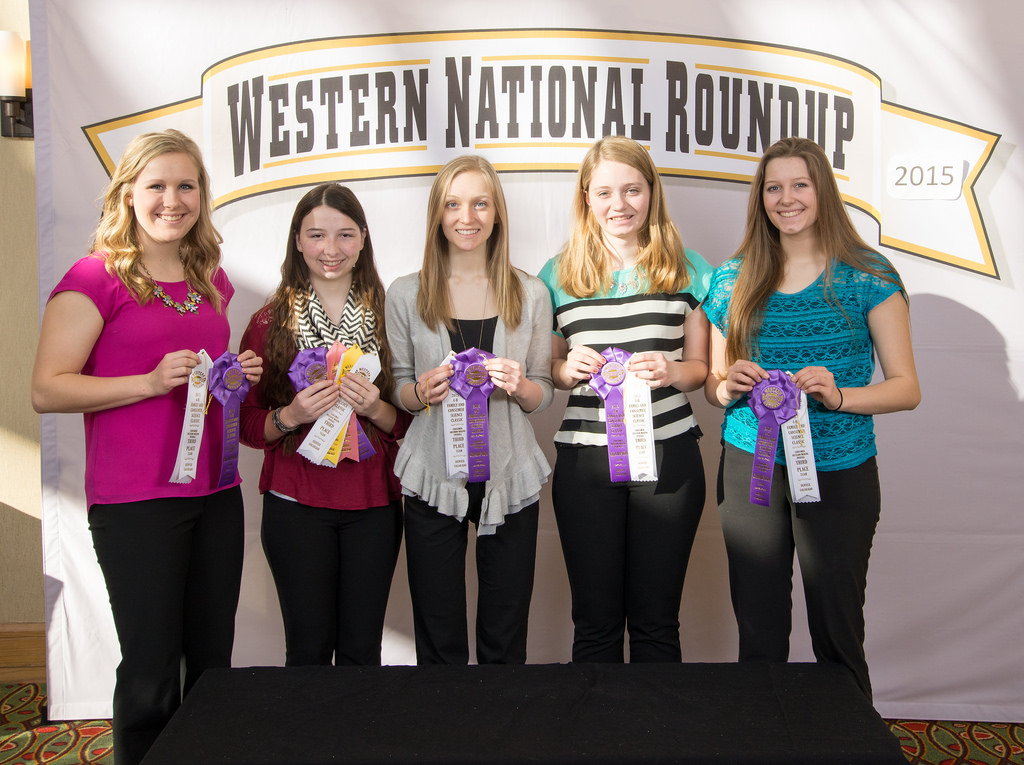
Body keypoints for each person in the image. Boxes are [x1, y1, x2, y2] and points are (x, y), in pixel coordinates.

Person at [30, 129, 262, 765]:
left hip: (217, 492)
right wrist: (148, 381)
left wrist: (234, 374)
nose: (173, 199)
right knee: (152, 669)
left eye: (186, 185)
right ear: (128, 193)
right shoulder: (94, 278)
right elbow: (47, 389)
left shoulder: (207, 276)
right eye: (157, 185)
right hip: (136, 501)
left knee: (212, 662)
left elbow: (203, 377)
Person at [702, 136, 921, 699]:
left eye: (800, 184)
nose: (786, 198)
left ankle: (848, 745)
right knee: (759, 623)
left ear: (822, 191)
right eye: (774, 187)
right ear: (761, 199)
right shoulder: (732, 279)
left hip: (841, 469)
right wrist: (728, 385)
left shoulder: (868, 275)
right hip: (750, 466)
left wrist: (841, 395)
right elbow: (713, 383)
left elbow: (906, 388)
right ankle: (762, 740)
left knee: (837, 625)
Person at [537, 135, 711, 663]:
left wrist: (673, 368)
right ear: (586, 198)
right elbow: (550, 370)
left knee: (658, 622)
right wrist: (567, 369)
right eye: (605, 193)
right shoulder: (557, 274)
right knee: (594, 623)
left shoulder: (689, 268)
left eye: (633, 190)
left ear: (651, 193)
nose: (620, 205)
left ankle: (657, 743)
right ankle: (595, 743)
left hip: (669, 455)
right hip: (585, 461)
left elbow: (702, 371)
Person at [385, 155, 553, 665]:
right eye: (454, 204)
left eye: (481, 203)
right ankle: (445, 736)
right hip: (433, 472)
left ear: (498, 212)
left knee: (505, 631)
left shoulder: (531, 293)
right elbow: (397, 389)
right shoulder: (406, 293)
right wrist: (422, 391)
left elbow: (542, 390)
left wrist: (522, 385)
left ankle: (504, 736)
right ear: (438, 214)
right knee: (437, 631)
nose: (468, 217)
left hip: (511, 474)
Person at [239, 184, 408, 667]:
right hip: (296, 504)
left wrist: (376, 409)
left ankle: (358, 745)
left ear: (363, 239)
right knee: (308, 650)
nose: (330, 250)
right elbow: (246, 424)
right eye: (316, 235)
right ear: (297, 241)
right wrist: (290, 416)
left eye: (344, 235)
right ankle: (308, 745)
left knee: (361, 650)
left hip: (374, 504)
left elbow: (416, 424)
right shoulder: (269, 322)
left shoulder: (391, 318)